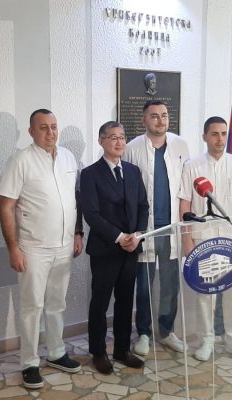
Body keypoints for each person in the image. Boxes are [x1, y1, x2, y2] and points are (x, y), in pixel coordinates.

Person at [0, 109, 83, 388]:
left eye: (54, 126)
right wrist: (13, 247)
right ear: (31, 131)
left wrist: (77, 233)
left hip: (64, 245)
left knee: (57, 304)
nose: (50, 132)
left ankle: (56, 352)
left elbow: (73, 200)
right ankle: (30, 362)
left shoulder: (68, 158)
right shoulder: (20, 160)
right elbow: (6, 206)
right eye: (43, 127)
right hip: (33, 247)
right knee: (32, 307)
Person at [178, 116, 232, 363]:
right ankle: (207, 340)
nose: (220, 139)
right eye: (214, 134)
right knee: (205, 294)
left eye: (223, 133)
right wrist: (187, 241)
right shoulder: (192, 165)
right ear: (204, 137)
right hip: (203, 240)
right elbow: (185, 204)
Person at [81, 121, 149, 375]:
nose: (119, 142)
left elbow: (143, 206)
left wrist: (138, 234)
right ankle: (98, 352)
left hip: (131, 248)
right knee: (100, 303)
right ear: (101, 141)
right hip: (105, 248)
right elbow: (91, 214)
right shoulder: (90, 174)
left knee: (125, 301)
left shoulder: (133, 171)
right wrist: (119, 237)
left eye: (122, 137)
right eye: (113, 137)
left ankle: (121, 349)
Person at [124, 100, 189, 356]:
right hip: (145, 230)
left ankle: (166, 330)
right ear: (144, 121)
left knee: (171, 284)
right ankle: (143, 332)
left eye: (164, 115)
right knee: (144, 286)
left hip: (172, 227)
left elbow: (186, 186)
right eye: (154, 116)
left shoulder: (181, 145)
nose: (160, 120)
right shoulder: (132, 148)